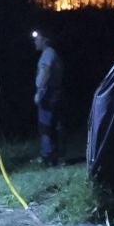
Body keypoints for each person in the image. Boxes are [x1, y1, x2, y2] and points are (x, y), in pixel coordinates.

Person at [32, 28, 65, 165]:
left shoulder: (48, 54)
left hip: (48, 94)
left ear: (45, 40)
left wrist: (40, 91)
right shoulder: (52, 53)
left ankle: (48, 156)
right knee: (54, 125)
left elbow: (46, 71)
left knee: (45, 125)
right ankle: (56, 155)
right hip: (54, 93)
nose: (35, 41)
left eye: (37, 38)